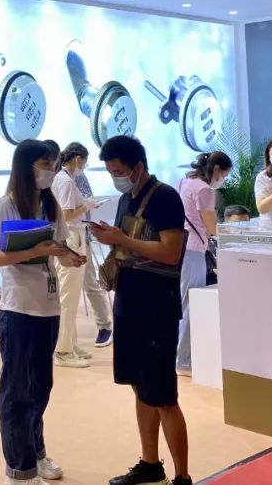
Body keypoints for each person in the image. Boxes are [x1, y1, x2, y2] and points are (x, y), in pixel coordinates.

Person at [90, 136, 192, 485]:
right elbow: (129, 245)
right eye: (110, 172)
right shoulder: (125, 199)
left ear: (138, 168)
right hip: (128, 302)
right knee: (139, 386)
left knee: (163, 395)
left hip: (156, 307)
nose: (115, 178)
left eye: (119, 171)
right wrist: (112, 238)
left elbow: (170, 252)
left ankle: (182, 476)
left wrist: (122, 239)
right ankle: (150, 465)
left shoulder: (165, 197)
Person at [0, 139, 80, 485]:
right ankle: (19, 469)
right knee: (17, 391)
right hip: (18, 308)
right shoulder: (7, 205)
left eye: (53, 164)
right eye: (45, 165)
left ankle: (36, 454)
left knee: (41, 387)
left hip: (48, 308)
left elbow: (59, 250)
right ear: (28, 167)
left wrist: (69, 256)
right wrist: (32, 252)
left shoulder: (51, 205)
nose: (50, 171)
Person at [51, 142, 109, 367]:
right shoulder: (65, 181)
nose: (83, 166)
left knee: (71, 296)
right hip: (72, 237)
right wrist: (86, 206)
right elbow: (67, 214)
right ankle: (63, 350)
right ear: (77, 159)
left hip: (73, 236)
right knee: (68, 298)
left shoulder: (62, 178)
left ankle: (70, 344)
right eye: (84, 162)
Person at [175, 152, 232, 376]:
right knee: (191, 304)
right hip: (193, 250)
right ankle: (183, 360)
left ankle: (180, 356)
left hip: (180, 247)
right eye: (224, 175)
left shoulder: (185, 182)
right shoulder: (205, 190)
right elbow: (211, 227)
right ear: (216, 170)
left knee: (183, 303)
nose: (223, 180)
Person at [68, 147, 115, 349]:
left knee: (89, 282)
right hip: (61, 238)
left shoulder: (78, 177)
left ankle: (105, 326)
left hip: (80, 235)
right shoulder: (59, 177)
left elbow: (87, 201)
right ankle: (66, 336)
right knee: (64, 289)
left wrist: (87, 206)